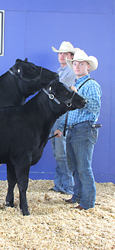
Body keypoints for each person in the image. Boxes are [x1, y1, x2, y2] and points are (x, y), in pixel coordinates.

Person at [54, 49, 101, 210]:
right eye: (75, 63)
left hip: (84, 129)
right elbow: (69, 112)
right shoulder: (76, 85)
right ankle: (77, 196)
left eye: (81, 64)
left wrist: (78, 97)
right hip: (72, 129)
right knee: (74, 166)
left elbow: (95, 107)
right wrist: (61, 127)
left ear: (88, 67)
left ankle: (88, 203)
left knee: (83, 167)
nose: (77, 66)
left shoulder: (91, 85)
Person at [49, 41, 78, 195]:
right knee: (57, 151)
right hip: (56, 115)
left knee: (62, 152)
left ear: (71, 57)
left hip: (64, 116)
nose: (62, 56)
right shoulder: (59, 72)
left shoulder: (71, 73)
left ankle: (67, 186)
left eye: (65, 54)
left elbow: (61, 93)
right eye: (60, 53)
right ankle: (59, 183)